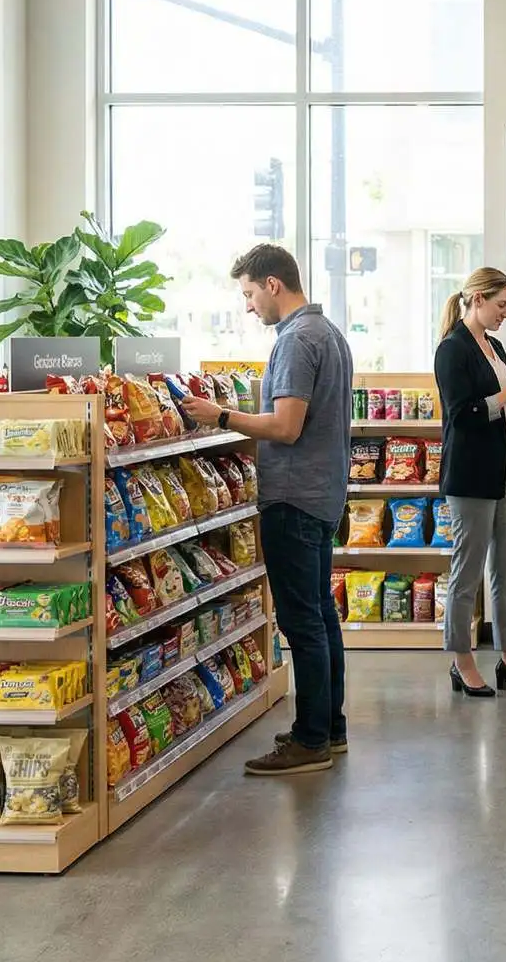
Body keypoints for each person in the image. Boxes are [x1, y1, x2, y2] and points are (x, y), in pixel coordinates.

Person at [183, 244, 353, 776]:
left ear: (273, 284)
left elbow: (285, 426)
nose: (248, 305)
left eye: (250, 293)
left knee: (302, 622)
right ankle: (330, 728)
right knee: (321, 615)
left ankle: (310, 742)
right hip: (322, 494)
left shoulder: (297, 340)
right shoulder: (329, 333)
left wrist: (220, 415)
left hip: (294, 498)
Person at [433, 267, 506, 696]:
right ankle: (461, 660)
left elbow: (503, 409)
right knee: (467, 572)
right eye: (501, 305)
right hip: (472, 473)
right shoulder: (452, 349)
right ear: (477, 299)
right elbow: (463, 415)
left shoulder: (495, 346)